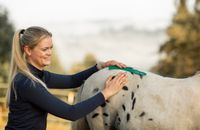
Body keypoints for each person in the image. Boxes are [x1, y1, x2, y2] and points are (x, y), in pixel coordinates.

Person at [5, 26, 128, 130]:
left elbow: (72, 80)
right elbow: (71, 113)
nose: (49, 53)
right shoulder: (27, 82)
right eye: (45, 49)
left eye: (51, 48)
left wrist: (98, 67)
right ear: (28, 50)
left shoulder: (38, 75)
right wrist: (106, 93)